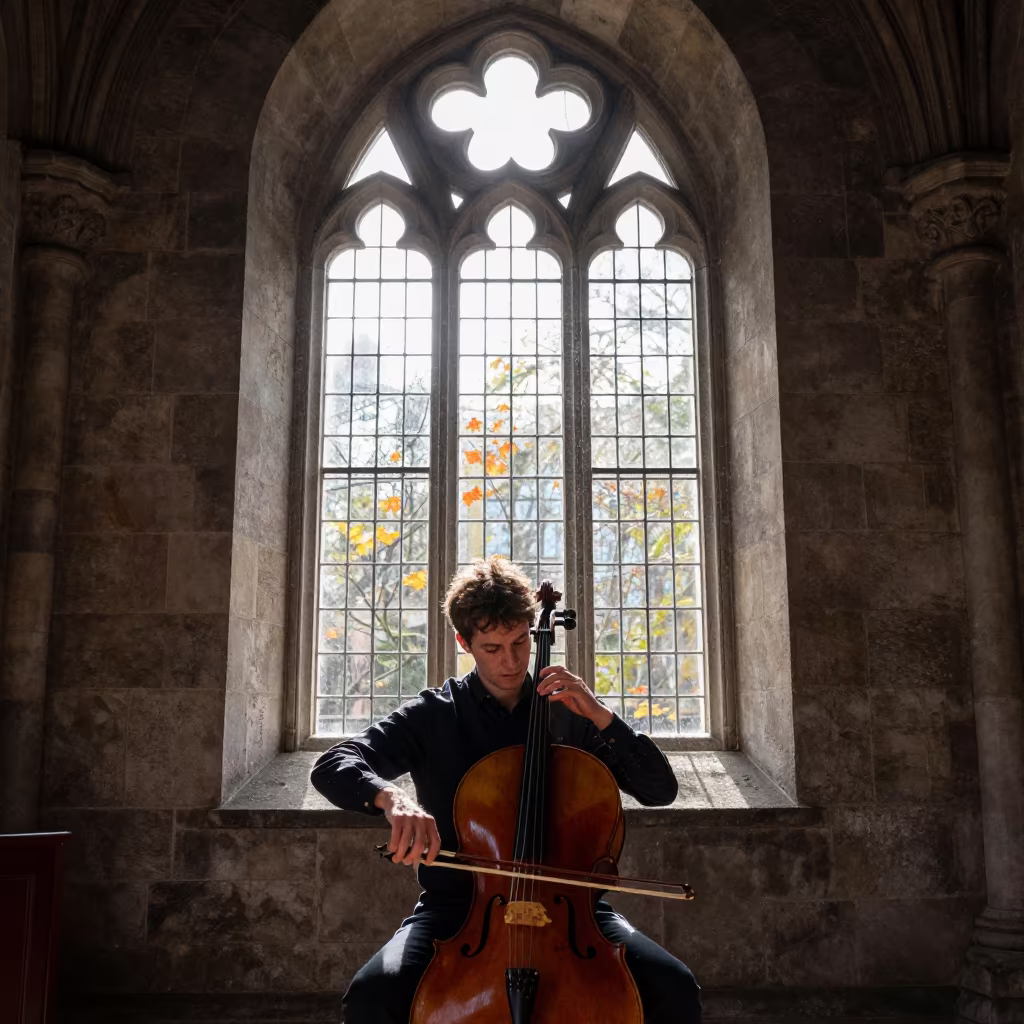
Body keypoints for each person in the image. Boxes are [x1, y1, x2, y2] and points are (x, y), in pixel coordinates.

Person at [310, 556, 702, 1024]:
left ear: (535, 633)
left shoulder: (570, 711)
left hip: (573, 916)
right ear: (465, 642)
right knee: (374, 995)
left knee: (674, 988)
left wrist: (601, 715)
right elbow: (333, 764)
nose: (512, 661)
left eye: (520, 642)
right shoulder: (435, 715)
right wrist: (391, 797)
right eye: (493, 648)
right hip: (458, 912)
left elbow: (660, 789)